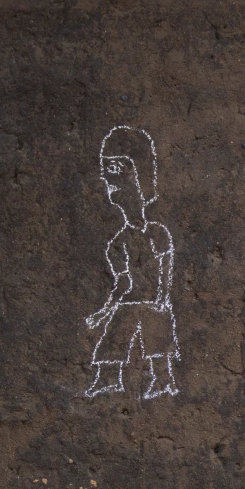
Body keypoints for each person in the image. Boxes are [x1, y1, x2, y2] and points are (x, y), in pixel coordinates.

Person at [85, 126, 180, 399]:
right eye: (106, 169)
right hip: (130, 302)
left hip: (152, 301)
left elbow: (165, 264)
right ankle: (107, 380)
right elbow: (123, 282)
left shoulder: (157, 232)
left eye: (115, 167)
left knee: (158, 338)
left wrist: (162, 294)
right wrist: (105, 312)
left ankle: (162, 380)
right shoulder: (118, 242)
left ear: (140, 174)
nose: (107, 177)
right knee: (114, 338)